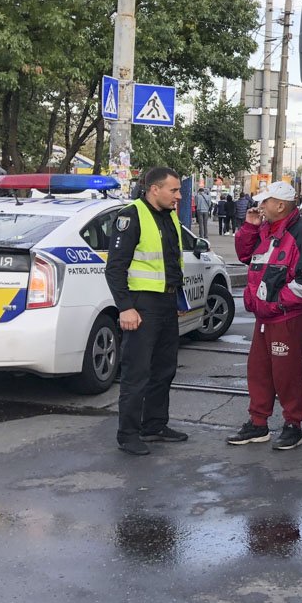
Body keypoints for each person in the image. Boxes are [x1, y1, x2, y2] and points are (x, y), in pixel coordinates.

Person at [227, 180, 302, 451]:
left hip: (285, 316)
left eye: (265, 201)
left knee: (286, 372)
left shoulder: (301, 233)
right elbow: (246, 255)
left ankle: (293, 425)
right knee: (259, 370)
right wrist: (249, 226)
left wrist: (276, 304)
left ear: (280, 205)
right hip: (267, 314)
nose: (260, 206)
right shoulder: (266, 228)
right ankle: (258, 423)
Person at [105, 166, 190, 455]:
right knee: (137, 373)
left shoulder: (169, 216)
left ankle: (154, 425)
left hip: (166, 303)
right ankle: (128, 434)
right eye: (173, 190)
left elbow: (171, 263)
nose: (178, 196)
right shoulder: (131, 216)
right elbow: (115, 268)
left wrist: (177, 300)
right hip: (142, 305)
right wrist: (125, 308)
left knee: (164, 370)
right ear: (155, 189)